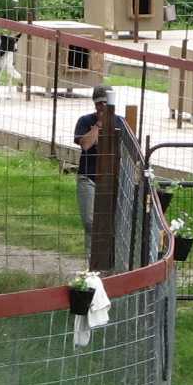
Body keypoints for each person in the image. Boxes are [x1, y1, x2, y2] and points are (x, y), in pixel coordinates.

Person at [74, 85, 114, 266]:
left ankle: (109, 262)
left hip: (111, 180)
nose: (103, 108)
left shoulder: (120, 122)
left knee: (111, 223)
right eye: (99, 104)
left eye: (106, 103)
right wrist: (98, 126)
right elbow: (85, 145)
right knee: (90, 222)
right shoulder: (84, 121)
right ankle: (92, 264)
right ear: (95, 104)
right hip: (88, 177)